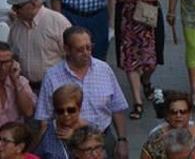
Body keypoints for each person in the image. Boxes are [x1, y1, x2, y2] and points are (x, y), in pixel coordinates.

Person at [35, 27, 129, 158]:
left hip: (102, 138)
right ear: (67, 49)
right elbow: (44, 119)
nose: (86, 53)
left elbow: (117, 108)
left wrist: (122, 140)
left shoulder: (104, 69)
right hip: (68, 144)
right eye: (79, 49)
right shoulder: (52, 76)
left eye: (89, 48)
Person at [111, 0, 167, 119]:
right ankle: (137, 101)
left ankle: (146, 80)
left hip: (149, 15)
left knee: (152, 60)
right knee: (130, 60)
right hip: (127, 18)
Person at [7, 0, 70, 90]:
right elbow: (13, 56)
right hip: (26, 87)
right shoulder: (16, 27)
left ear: (32, 4)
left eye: (17, 7)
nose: (13, 10)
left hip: (55, 86)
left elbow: (70, 56)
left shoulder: (58, 22)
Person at [141, 91, 195, 159]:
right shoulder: (155, 140)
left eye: (183, 112)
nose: (178, 115)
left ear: (190, 114)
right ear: (167, 115)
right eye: (173, 112)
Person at [32, 84, 89, 159]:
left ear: (79, 108)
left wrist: (75, 138)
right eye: (60, 111)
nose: (66, 114)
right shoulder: (45, 131)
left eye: (70, 110)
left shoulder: (89, 130)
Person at [0, 42, 36, 123]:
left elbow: (28, 112)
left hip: (16, 132)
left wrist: (16, 82)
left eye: (6, 62)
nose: (2, 68)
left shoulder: (20, 81)